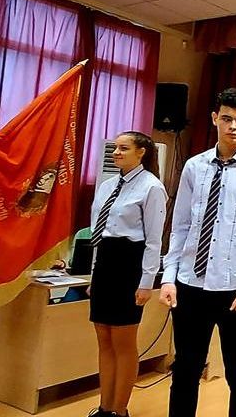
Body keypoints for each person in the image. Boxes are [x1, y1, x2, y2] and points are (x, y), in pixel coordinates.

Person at [159, 88, 236, 417]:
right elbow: (180, 226)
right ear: (215, 119)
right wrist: (169, 277)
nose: (233, 127)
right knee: (185, 369)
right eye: (227, 119)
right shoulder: (194, 167)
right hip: (189, 285)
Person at [87, 132, 167, 417]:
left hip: (129, 265)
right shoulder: (107, 185)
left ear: (141, 152)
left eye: (124, 148)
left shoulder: (151, 187)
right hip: (105, 264)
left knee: (123, 342)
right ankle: (104, 407)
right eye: (115, 148)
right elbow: (98, 233)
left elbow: (154, 240)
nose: (116, 153)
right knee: (104, 339)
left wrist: (146, 282)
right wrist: (94, 274)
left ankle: (120, 410)